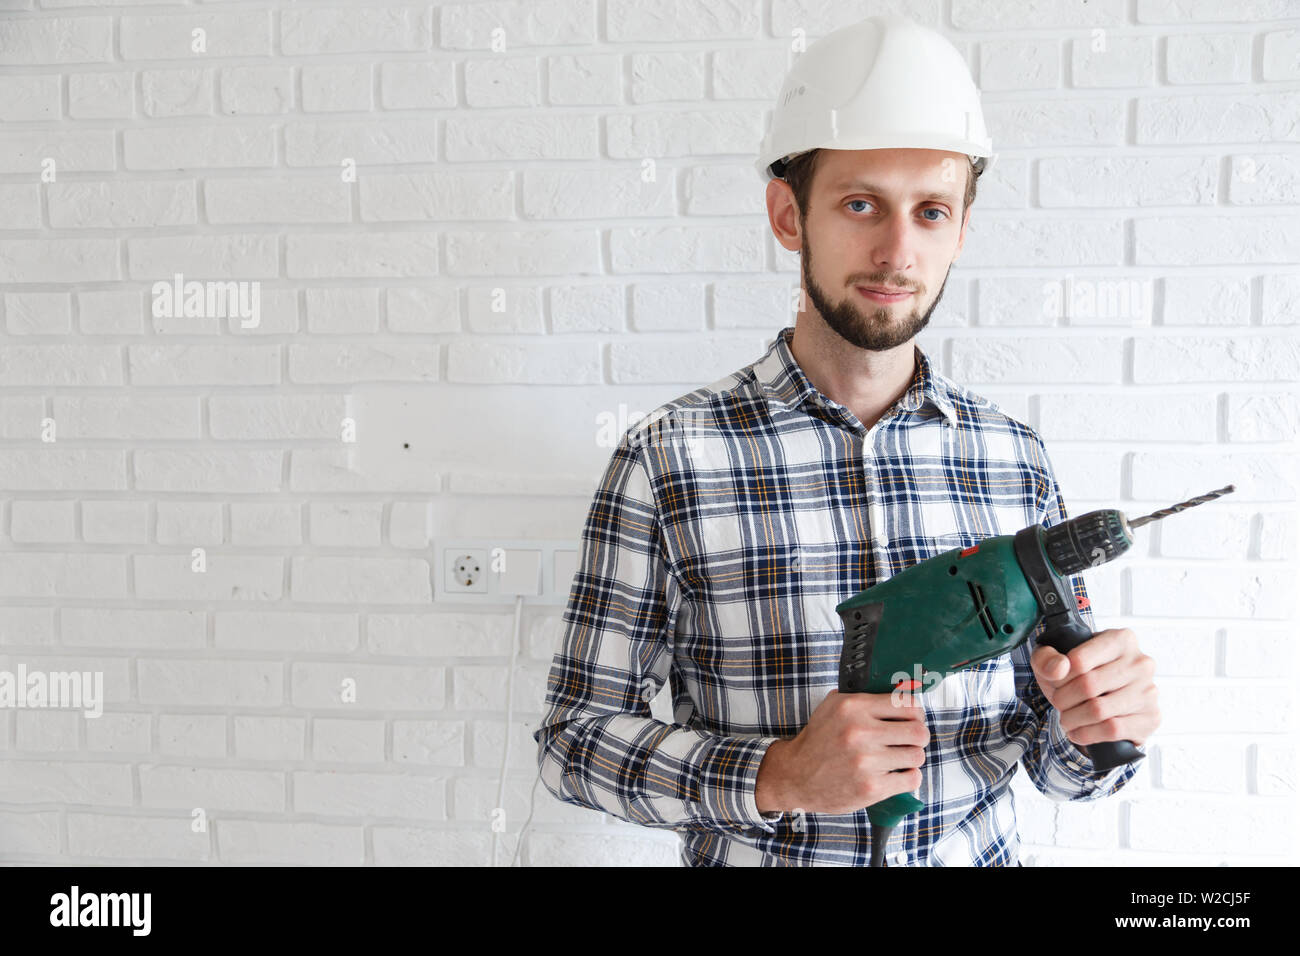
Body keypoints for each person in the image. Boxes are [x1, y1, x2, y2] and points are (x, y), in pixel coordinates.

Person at [534, 14, 1160, 866]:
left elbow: (1055, 764)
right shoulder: (667, 458)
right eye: (860, 203)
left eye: (931, 211)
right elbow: (572, 740)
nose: (897, 250)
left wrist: (1092, 730)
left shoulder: (1013, 458)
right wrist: (778, 776)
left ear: (962, 231)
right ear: (788, 215)